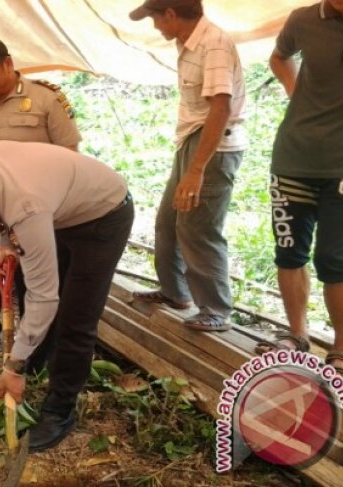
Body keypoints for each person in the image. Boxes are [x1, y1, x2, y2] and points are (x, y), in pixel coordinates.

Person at [0, 140, 134, 452]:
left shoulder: (26, 207)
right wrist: (5, 241)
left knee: (75, 317)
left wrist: (11, 365)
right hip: (57, 207)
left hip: (103, 214)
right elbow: (1, 203)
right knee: (37, 299)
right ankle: (31, 367)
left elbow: (45, 296)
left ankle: (60, 409)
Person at [0, 34, 82, 366]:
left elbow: (69, 155)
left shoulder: (45, 100)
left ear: (8, 63)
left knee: (33, 281)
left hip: (33, 210)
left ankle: (35, 351)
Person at [253, 0, 343, 385]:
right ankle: (296, 334)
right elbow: (279, 56)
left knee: (333, 257)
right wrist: (295, 90)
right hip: (294, 157)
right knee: (289, 252)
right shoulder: (303, 19)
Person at [129, 0, 247, 331]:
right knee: (169, 221)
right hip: (191, 140)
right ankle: (175, 292)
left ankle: (215, 310)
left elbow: (220, 109)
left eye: (155, 18)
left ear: (170, 13)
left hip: (214, 143)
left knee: (197, 227)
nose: (155, 26)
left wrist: (196, 170)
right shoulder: (188, 42)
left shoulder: (214, 45)